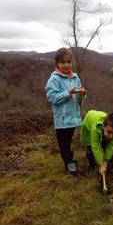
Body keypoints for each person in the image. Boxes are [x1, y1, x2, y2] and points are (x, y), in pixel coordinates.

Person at [45, 48, 86, 176]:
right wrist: (68, 93)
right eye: (63, 62)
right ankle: (70, 166)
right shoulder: (54, 79)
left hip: (73, 118)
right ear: (57, 63)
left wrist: (83, 93)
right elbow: (52, 98)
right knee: (64, 144)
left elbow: (79, 94)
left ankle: (69, 160)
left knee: (68, 142)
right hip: (62, 120)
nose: (66, 65)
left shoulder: (75, 77)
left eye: (69, 62)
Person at [80, 110, 113, 176]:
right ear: (103, 126)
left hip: (100, 120)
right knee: (90, 147)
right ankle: (91, 166)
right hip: (88, 124)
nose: (111, 136)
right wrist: (101, 164)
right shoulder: (95, 129)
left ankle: (110, 164)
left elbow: (110, 147)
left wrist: (106, 161)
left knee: (107, 144)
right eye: (109, 132)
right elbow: (96, 147)